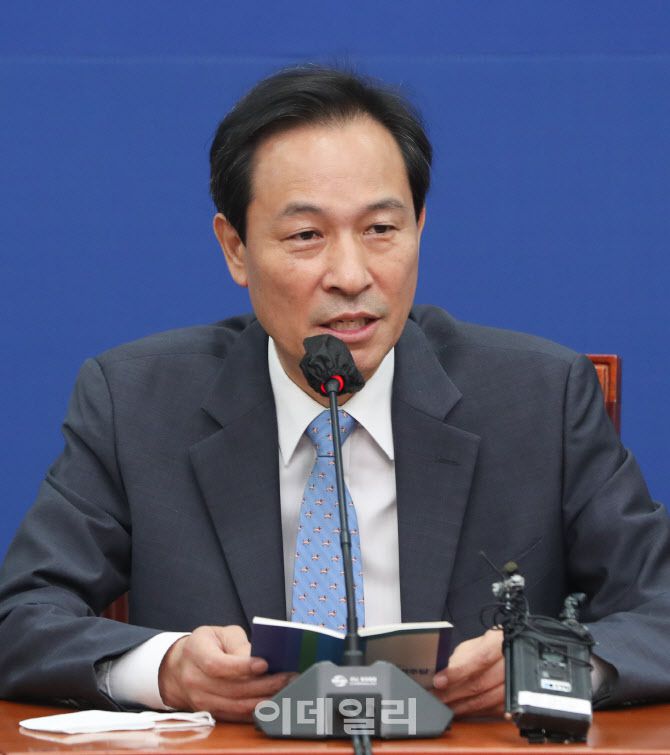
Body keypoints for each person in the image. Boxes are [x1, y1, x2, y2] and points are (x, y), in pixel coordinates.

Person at [0, 65, 669, 722]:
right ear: (235, 248)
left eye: (381, 229)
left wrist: (545, 668)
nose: (351, 275)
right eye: (306, 235)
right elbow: (20, 620)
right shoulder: (137, 404)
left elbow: (660, 610)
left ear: (419, 226)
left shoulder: (540, 398)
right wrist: (167, 670)